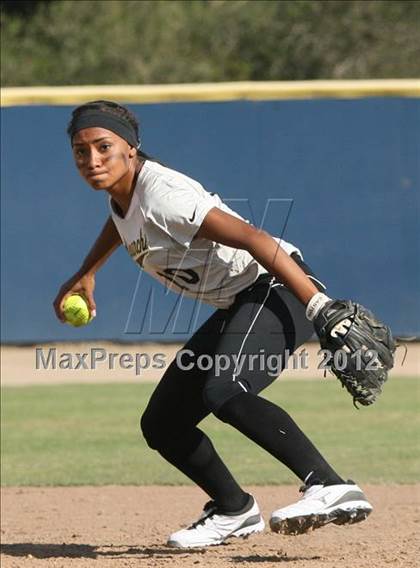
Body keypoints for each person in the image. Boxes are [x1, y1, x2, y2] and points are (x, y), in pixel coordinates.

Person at [54, 100, 373, 548]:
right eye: (81, 152)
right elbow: (120, 222)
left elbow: (255, 238)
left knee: (226, 390)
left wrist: (318, 305)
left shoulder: (164, 193)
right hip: (240, 301)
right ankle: (233, 509)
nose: (92, 160)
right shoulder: (124, 195)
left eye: (103, 147)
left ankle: (329, 485)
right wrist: (85, 273)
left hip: (276, 287)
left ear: (131, 148)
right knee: (163, 423)